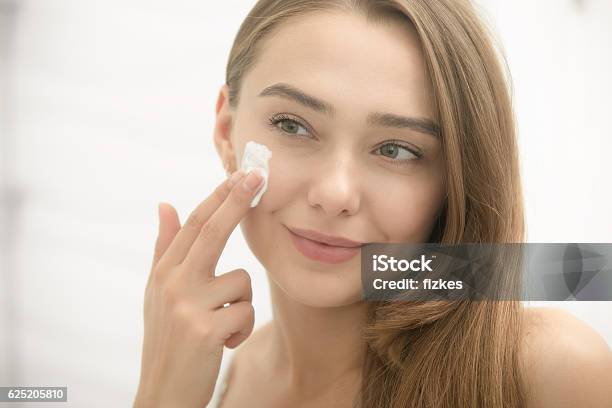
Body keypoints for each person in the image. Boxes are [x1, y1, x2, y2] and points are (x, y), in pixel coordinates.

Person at [133, 1, 612, 407]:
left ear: (455, 181)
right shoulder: (238, 370)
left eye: (397, 150)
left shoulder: (551, 370)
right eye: (293, 125)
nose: (335, 193)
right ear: (226, 133)